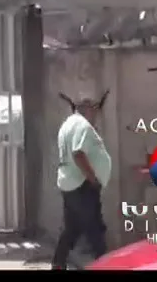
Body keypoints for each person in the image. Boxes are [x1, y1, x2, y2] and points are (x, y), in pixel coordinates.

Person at [50, 97, 111, 270]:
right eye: (94, 110)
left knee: (71, 228)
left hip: (69, 184)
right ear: (87, 109)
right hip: (81, 184)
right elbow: (78, 154)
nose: (95, 114)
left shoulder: (67, 124)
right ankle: (106, 265)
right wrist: (93, 178)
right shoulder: (82, 125)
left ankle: (58, 263)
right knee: (95, 229)